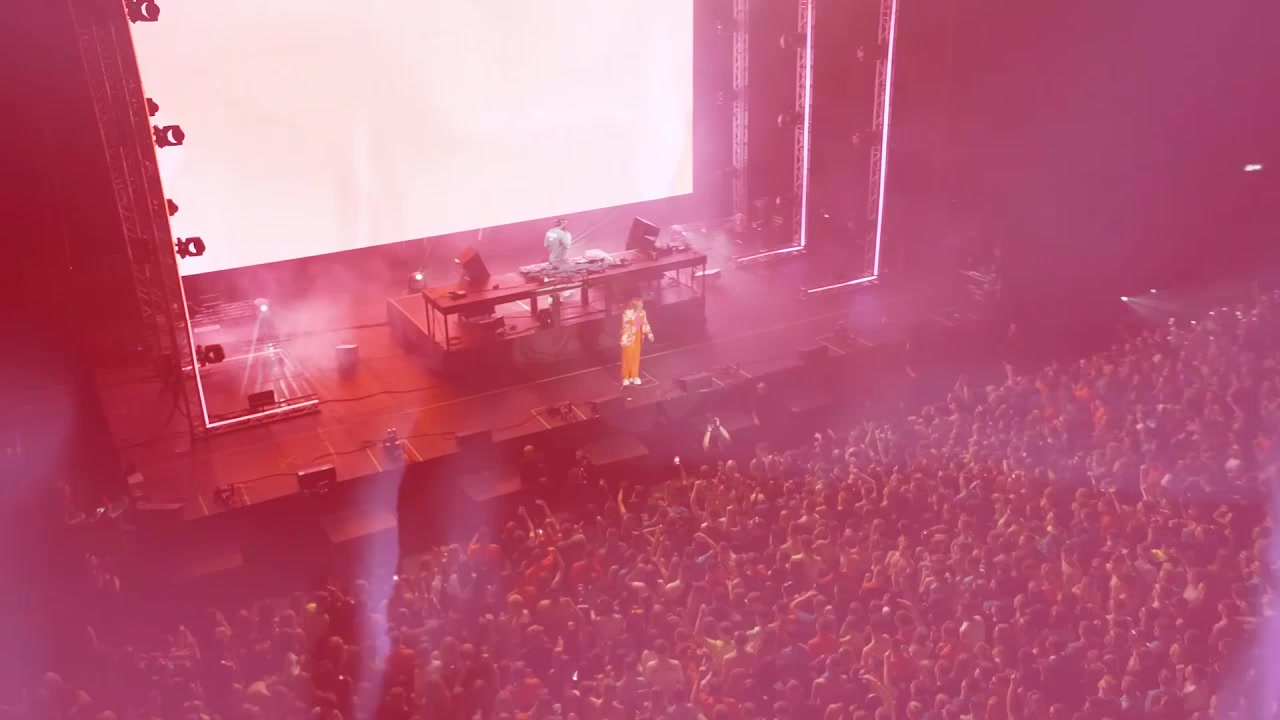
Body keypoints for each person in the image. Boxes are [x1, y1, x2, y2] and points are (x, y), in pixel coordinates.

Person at [619, 297, 653, 388]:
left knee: (635, 357)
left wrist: (649, 334)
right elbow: (626, 327)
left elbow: (645, 324)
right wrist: (624, 340)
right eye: (640, 303)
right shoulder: (627, 313)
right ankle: (625, 377)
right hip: (629, 338)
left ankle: (634, 375)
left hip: (638, 336)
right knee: (627, 357)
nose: (642, 305)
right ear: (636, 305)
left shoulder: (643, 313)